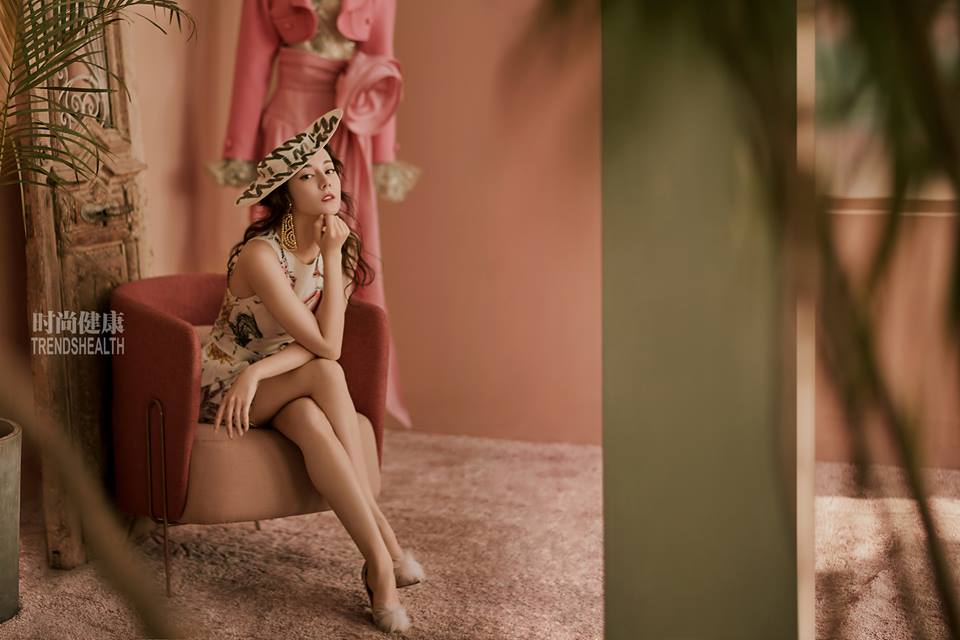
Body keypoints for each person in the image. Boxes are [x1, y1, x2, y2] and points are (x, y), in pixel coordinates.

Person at [199, 109, 423, 634]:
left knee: (314, 421)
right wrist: (250, 376)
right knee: (327, 374)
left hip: (278, 379)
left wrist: (264, 373)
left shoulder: (336, 244)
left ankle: (378, 565)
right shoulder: (261, 255)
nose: (326, 182)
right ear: (284, 193)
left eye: (329, 170)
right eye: (308, 175)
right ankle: (385, 550)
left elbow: (320, 345)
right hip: (227, 386)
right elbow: (328, 346)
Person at [207, 0, 419, 431]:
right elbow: (252, 63)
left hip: (351, 123)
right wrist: (240, 148)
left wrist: (382, 152)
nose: (325, 182)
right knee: (283, 245)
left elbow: (381, 62)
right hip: (287, 121)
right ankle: (290, 381)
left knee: (342, 246)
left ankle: (342, 392)